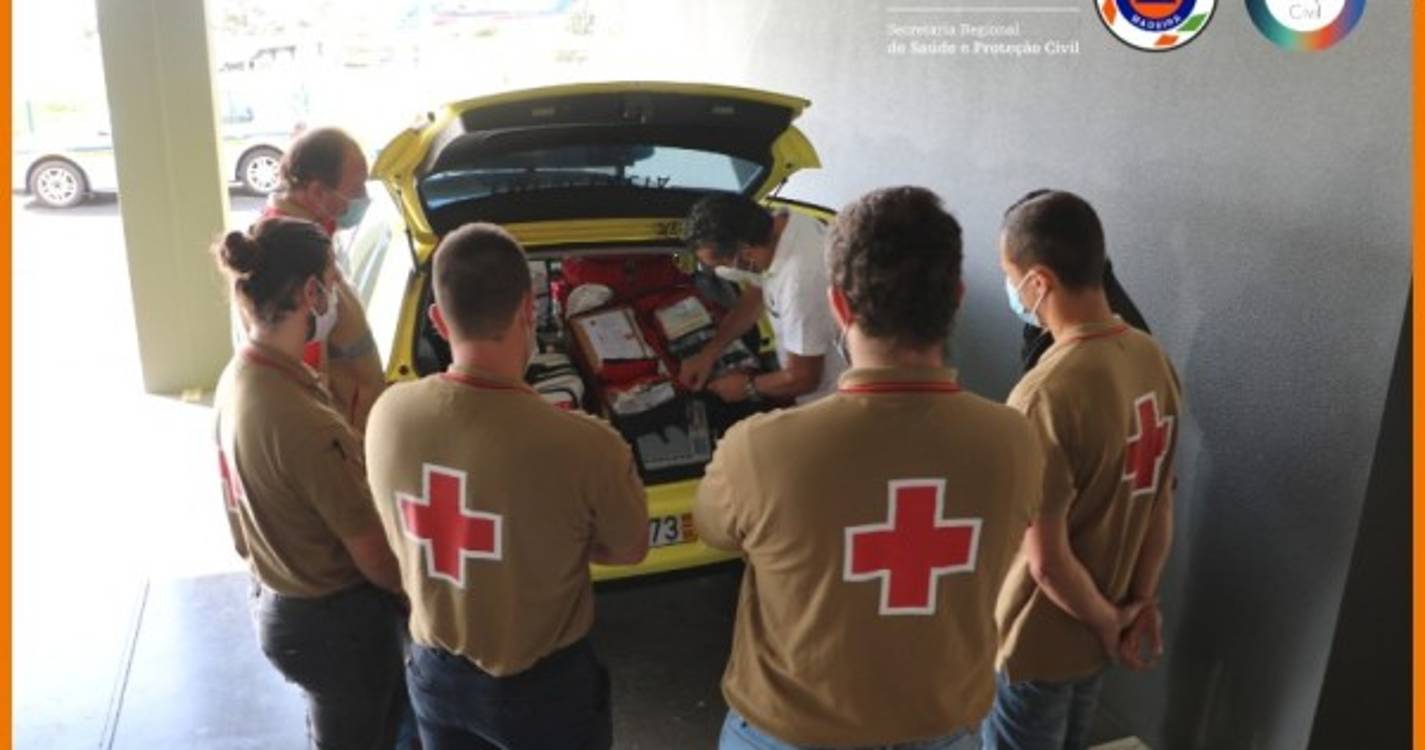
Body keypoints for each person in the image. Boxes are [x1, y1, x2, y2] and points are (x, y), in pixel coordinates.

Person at [694, 186, 1044, 749]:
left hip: (791, 734)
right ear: (956, 298)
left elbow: (714, 531)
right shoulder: (1017, 441)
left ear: (839, 306)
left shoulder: (757, 450)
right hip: (942, 731)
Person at [363, 222, 650, 750]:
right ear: (527, 310)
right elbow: (630, 550)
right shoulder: (586, 444)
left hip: (433, 673)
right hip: (544, 691)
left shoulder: (388, 413)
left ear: (437, 319)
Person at [983, 190, 1183, 750]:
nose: (1012, 290)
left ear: (1039, 281)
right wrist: (1138, 605)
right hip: (1106, 623)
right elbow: (1160, 502)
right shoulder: (1151, 358)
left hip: (1038, 644)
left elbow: (1045, 561)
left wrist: (1106, 622)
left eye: (1009, 276)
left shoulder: (1045, 394)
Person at [213, 217, 408, 749]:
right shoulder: (305, 422)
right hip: (335, 624)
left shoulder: (240, 378)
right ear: (310, 293)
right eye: (334, 280)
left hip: (277, 597)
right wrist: (419, 598)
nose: (338, 295)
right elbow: (374, 558)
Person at [261, 126, 386, 430]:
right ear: (318, 192)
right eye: (356, 189)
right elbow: (306, 370)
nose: (364, 198)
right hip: (333, 428)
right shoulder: (291, 255)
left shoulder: (312, 233)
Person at [678, 192, 847, 405]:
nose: (721, 271)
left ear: (747, 254)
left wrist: (748, 386)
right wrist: (709, 353)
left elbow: (805, 378)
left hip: (837, 398)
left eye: (720, 264)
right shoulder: (782, 224)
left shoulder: (799, 282)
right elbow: (757, 291)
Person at [1010, 190, 1152, 371]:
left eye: (1010, 273)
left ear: (1040, 282)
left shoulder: (1075, 361)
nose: (1012, 284)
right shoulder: (1044, 317)